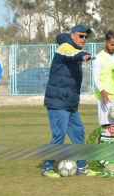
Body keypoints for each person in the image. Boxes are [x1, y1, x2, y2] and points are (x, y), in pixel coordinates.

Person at [42, 24, 96, 178]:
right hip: (57, 101)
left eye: (86, 37)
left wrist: (76, 98)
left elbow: (75, 81)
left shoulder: (75, 49)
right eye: (81, 36)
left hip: (70, 102)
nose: (84, 39)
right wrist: (83, 55)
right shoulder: (65, 47)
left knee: (78, 132)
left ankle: (82, 167)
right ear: (72, 35)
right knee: (58, 135)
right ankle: (47, 168)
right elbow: (72, 55)